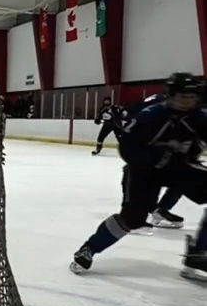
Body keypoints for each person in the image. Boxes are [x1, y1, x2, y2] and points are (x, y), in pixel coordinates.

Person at [71, 73, 207, 282]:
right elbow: (128, 148)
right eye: (182, 96)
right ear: (170, 95)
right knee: (132, 219)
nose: (187, 102)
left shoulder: (198, 117)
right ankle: (89, 248)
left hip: (177, 167)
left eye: (192, 97)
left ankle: (198, 254)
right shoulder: (150, 115)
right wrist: (156, 157)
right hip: (144, 172)